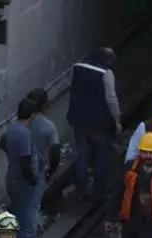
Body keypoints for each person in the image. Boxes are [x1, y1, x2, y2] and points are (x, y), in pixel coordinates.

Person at [66, 47, 122, 203]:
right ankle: (99, 191)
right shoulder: (106, 74)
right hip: (100, 124)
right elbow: (111, 99)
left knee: (82, 156)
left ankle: (80, 189)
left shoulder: (78, 66)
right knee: (101, 157)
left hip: (80, 120)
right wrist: (117, 121)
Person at [4, 97, 42, 238]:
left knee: (18, 215)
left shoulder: (11, 129)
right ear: (32, 115)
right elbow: (25, 162)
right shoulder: (24, 134)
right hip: (22, 183)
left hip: (12, 177)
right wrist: (33, 181)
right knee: (26, 218)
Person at [27, 88, 63, 185]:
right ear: (44, 105)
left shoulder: (17, 124)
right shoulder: (49, 127)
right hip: (37, 173)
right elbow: (56, 154)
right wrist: (50, 172)